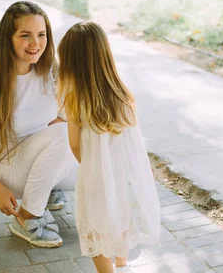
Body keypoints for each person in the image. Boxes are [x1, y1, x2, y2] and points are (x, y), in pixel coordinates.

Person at [0, 1, 77, 248]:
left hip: (41, 156)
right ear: (7, 38)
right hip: (8, 167)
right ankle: (27, 216)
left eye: (41, 35)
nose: (35, 44)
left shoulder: (51, 70)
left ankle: (45, 188)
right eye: (25, 36)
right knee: (63, 134)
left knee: (100, 158)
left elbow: (69, 115)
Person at [57, 22, 160, 272]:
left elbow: (74, 144)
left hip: (96, 175)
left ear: (70, 63)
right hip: (126, 174)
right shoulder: (123, 95)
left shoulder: (75, 100)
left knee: (97, 227)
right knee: (121, 214)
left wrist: (91, 164)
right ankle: (122, 263)